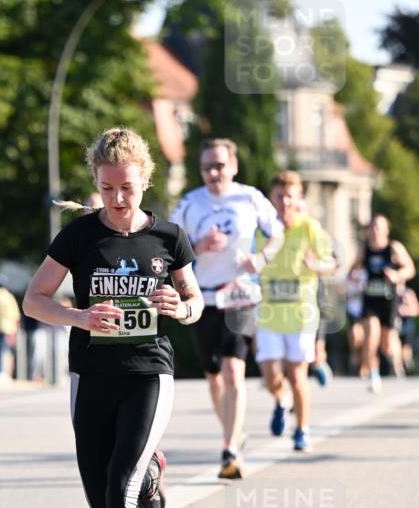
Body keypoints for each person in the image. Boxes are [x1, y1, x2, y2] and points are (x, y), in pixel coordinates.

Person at [23, 127, 203, 508]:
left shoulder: (169, 237)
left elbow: (194, 301)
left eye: (127, 188)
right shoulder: (79, 237)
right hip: (91, 376)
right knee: (104, 503)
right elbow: (34, 299)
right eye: (107, 189)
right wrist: (81, 316)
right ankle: (151, 476)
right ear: (96, 185)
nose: (118, 200)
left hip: (149, 371)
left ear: (144, 181)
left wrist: (182, 308)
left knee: (118, 492)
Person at [169, 138, 283, 478]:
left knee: (234, 370)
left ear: (233, 166)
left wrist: (261, 258)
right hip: (202, 297)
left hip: (241, 294)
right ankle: (233, 433)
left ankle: (230, 449)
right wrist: (198, 245)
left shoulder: (249, 197)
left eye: (220, 166)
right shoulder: (190, 203)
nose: (214, 173)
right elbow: (169, 246)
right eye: (207, 167)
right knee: (214, 376)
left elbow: (276, 234)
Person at [255, 172, 336, 452]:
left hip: (302, 315)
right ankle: (281, 400)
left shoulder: (309, 227)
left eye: (290, 196)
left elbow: (332, 264)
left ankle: (301, 429)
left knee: (298, 375)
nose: (285, 202)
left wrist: (317, 264)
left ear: (298, 198)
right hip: (268, 314)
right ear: (271, 198)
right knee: (270, 377)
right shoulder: (261, 230)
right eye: (279, 196)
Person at [349, 216, 415, 391]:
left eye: (379, 227)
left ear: (387, 230)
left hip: (388, 301)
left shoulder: (393, 248)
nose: (375, 230)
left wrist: (397, 275)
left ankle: (396, 363)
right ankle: (373, 373)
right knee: (371, 334)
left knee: (386, 344)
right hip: (370, 300)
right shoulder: (364, 250)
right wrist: (355, 279)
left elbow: (410, 269)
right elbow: (352, 271)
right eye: (372, 227)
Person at [0, 275, 21, 378]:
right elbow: (14, 314)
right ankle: (1, 372)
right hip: (5, 327)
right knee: (3, 350)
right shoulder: (8, 296)